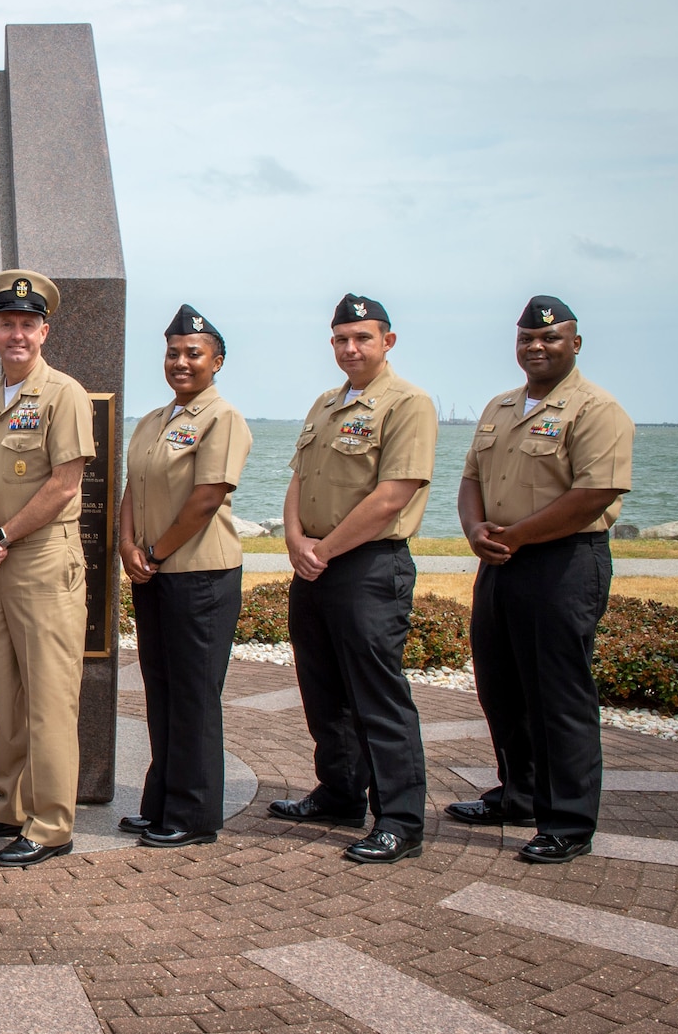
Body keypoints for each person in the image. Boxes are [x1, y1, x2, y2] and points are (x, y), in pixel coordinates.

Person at [448, 296, 633, 864]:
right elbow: (472, 477)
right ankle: (519, 794)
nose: (537, 347)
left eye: (550, 339)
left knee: (559, 696)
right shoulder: (500, 406)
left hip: (563, 564)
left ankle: (569, 821)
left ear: (574, 344)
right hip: (500, 561)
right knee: (501, 688)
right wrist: (476, 528)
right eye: (528, 337)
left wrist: (518, 536)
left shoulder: (597, 410)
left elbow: (593, 496)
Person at [269, 294, 436, 864]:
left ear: (387, 341)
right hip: (315, 564)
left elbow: (392, 496)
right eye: (341, 338)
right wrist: (295, 540)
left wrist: (324, 550)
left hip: (367, 566)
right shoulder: (325, 404)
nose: (350, 348)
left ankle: (401, 819)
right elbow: (299, 480)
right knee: (324, 692)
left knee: (377, 696)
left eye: (362, 337)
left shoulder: (408, 404)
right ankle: (340, 792)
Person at [0, 270, 95, 868]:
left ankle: (51, 824)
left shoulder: (65, 394)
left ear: (44, 330)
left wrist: (4, 534)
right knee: (8, 695)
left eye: (27, 324)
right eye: (6, 324)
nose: (17, 334)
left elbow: (66, 484)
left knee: (49, 697)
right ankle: (9, 806)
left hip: (42, 560)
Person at [118, 305, 252, 848]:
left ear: (217, 361)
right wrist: (127, 546)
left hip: (200, 574)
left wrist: (153, 551)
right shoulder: (154, 420)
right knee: (163, 690)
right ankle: (161, 803)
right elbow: (134, 488)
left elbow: (206, 499)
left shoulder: (224, 420)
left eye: (193, 353)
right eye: (173, 352)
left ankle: (194, 816)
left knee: (195, 696)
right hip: (155, 573)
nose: (180, 361)